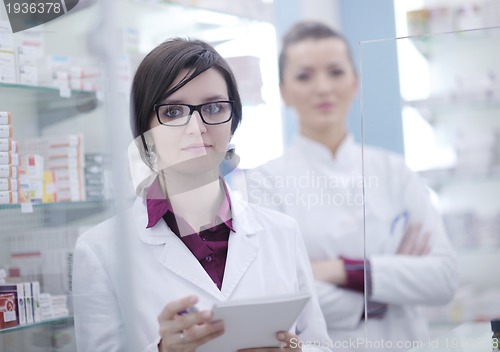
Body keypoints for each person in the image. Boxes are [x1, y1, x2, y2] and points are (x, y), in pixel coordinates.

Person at [72, 38, 333, 352]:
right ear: (145, 129)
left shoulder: (282, 231)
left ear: (233, 119)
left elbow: (320, 343)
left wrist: (296, 351)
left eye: (213, 107)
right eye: (172, 111)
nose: (196, 127)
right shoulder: (101, 250)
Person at [245, 21, 458, 351]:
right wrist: (383, 294)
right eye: (304, 76)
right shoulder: (262, 184)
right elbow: (282, 296)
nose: (323, 88)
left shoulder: (394, 171)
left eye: (335, 72)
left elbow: (442, 278)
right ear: (283, 92)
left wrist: (342, 271)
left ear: (355, 81)